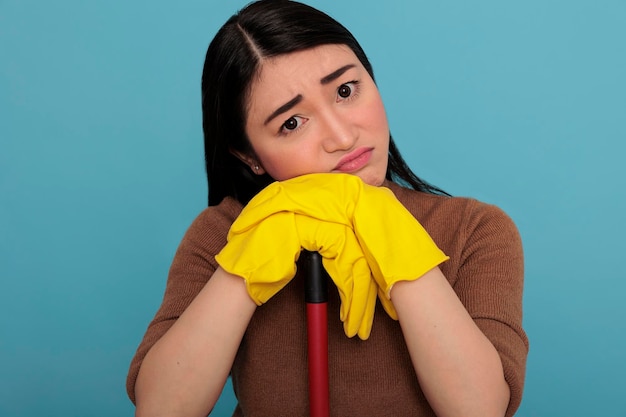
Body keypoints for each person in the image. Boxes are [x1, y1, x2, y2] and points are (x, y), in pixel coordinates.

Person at [126, 1, 528, 416]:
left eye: (345, 91)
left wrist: (392, 233)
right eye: (292, 122)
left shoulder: (475, 230)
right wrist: (247, 261)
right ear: (250, 156)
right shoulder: (222, 234)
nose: (340, 136)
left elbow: (479, 409)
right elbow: (162, 408)